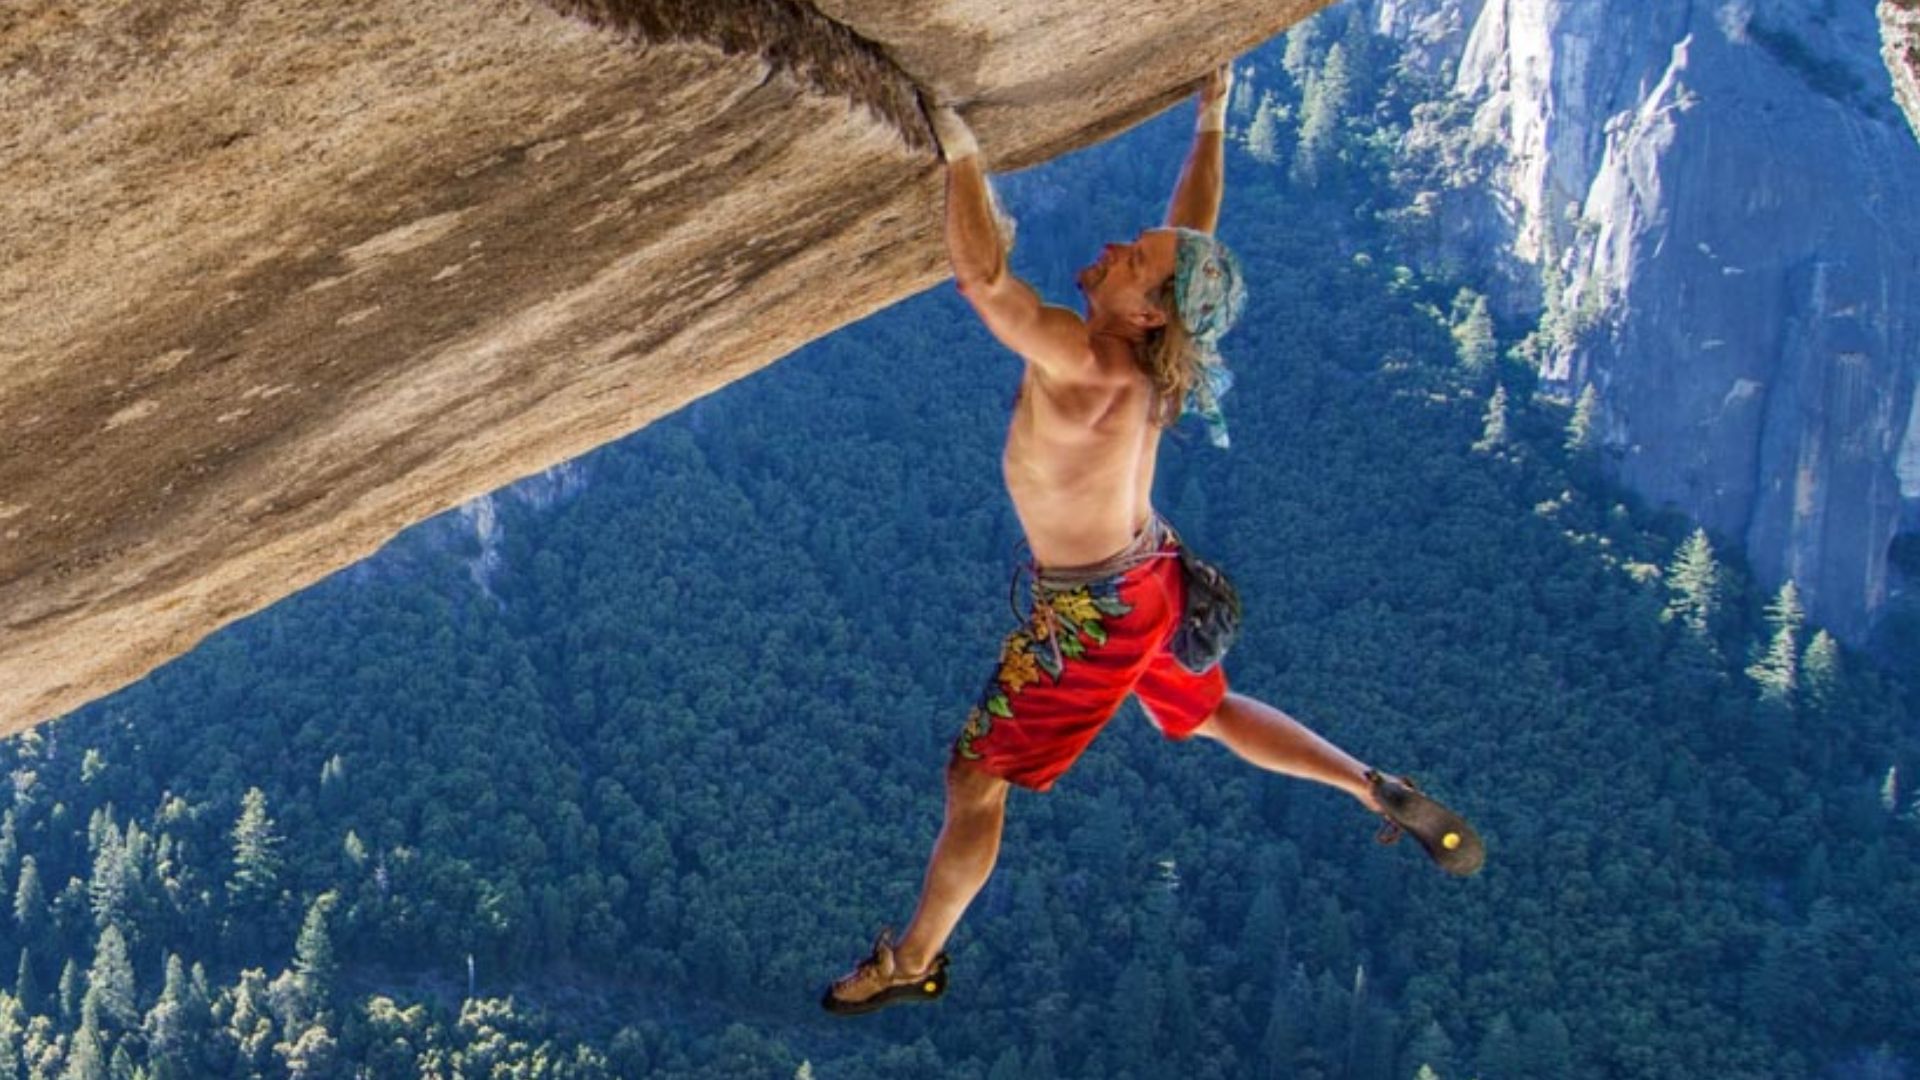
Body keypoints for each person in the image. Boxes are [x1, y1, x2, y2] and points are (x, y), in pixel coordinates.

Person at [821, 65, 1482, 1016]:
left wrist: (956, 143)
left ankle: (916, 957)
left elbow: (983, 278)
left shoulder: (1089, 362)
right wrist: (1212, 118)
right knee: (1203, 711)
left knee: (978, 776)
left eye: (1134, 258)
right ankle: (1366, 783)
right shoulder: (1161, 356)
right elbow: (1194, 237)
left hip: (1098, 614)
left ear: (1144, 310)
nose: (1119, 243)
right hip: (1148, 582)